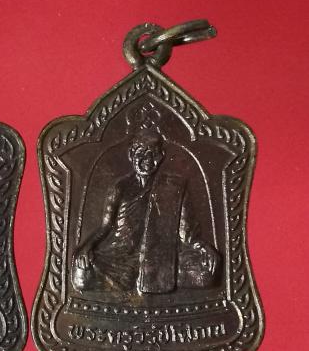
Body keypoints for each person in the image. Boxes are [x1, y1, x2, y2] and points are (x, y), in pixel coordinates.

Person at [72, 126, 218, 294]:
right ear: (131, 154)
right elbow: (105, 227)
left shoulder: (174, 186)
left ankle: (144, 277)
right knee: (81, 275)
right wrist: (86, 247)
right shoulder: (120, 187)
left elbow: (186, 233)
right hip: (123, 254)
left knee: (206, 271)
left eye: (153, 154)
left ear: (161, 156)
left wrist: (203, 247)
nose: (147, 159)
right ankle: (137, 276)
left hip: (160, 254)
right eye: (141, 152)